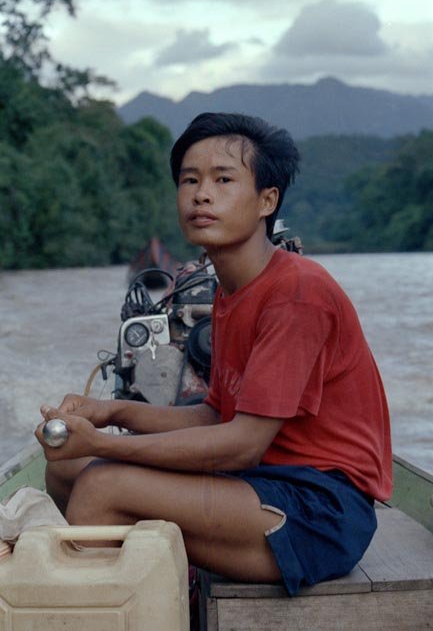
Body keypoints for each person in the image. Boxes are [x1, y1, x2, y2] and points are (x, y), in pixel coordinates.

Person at [35, 112, 392, 596]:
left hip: (321, 511)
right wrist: (111, 412)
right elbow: (213, 415)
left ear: (267, 200)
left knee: (102, 485)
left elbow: (242, 444)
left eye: (223, 180)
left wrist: (102, 444)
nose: (202, 194)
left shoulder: (296, 293)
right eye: (190, 180)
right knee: (66, 468)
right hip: (262, 480)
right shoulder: (231, 291)